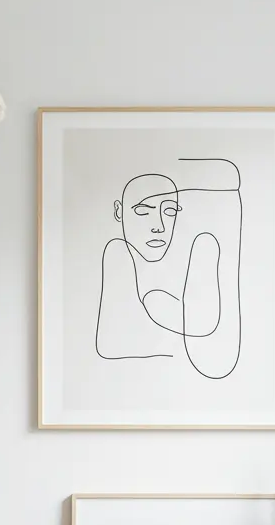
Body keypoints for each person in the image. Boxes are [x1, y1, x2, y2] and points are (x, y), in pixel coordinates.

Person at [96, 160, 241, 379]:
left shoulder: (191, 258)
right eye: (143, 211)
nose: (159, 226)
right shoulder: (118, 255)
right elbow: (110, 345)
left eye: (170, 211)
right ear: (119, 211)